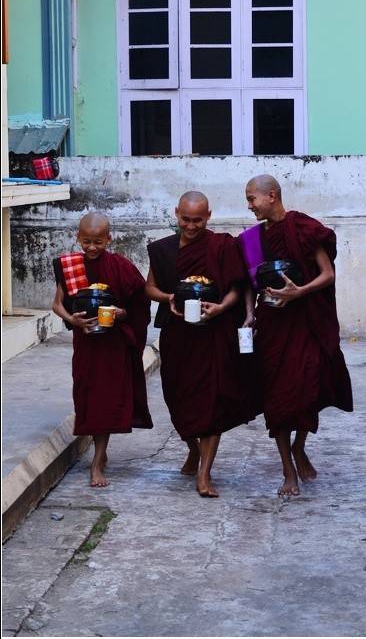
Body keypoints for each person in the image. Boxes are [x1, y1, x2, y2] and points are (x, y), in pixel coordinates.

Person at [238, 175, 353, 496]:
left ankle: (300, 446)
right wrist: (249, 313)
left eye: (252, 199)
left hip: (304, 322)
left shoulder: (302, 228)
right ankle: (287, 470)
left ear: (271, 196)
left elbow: (327, 274)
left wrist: (299, 291)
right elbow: (248, 284)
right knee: (277, 397)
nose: (249, 206)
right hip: (273, 326)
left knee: (308, 388)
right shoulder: (251, 240)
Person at [146, 191, 255, 498]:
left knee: (211, 401)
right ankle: (193, 449)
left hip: (213, 334)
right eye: (185, 219)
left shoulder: (222, 246)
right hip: (178, 336)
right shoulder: (163, 249)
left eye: (197, 220)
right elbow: (149, 287)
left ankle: (205, 473)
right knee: (178, 400)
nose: (191, 226)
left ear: (209, 216)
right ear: (176, 214)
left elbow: (237, 285)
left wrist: (221, 308)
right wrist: (167, 298)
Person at [52, 212, 153, 488]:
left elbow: (140, 303)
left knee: (106, 401)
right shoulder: (70, 265)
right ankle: (100, 453)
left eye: (98, 241)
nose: (92, 248)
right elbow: (57, 304)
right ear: (78, 238)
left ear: (109, 238)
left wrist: (121, 314)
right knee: (88, 398)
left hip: (113, 345)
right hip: (86, 343)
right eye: (86, 241)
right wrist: (72, 319)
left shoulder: (121, 266)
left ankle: (97, 461)